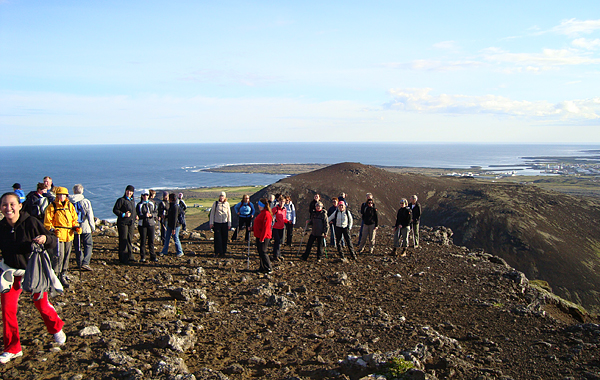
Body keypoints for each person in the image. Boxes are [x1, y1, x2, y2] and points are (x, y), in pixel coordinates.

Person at [0, 192, 66, 364]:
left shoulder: (31, 222)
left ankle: (56, 327)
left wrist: (45, 238)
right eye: (5, 205)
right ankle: (13, 349)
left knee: (42, 305)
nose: (9, 208)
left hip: (32, 272)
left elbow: (52, 239)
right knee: (7, 311)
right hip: (10, 274)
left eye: (12, 204)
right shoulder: (1, 227)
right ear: (1, 208)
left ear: (20, 206)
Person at [44, 187, 79, 287]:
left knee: (67, 255)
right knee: (58, 256)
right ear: (57, 195)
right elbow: (47, 222)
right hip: (58, 235)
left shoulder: (70, 206)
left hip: (69, 234)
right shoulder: (52, 207)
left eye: (64, 195)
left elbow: (74, 219)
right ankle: (55, 276)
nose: (62, 196)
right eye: (60, 194)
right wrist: (53, 230)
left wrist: (76, 227)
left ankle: (63, 274)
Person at [69, 184, 95, 271]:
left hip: (75, 227)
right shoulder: (86, 201)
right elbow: (90, 215)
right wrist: (93, 227)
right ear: (82, 191)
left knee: (77, 246)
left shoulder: (69, 201)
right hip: (85, 226)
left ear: (74, 191)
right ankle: (85, 262)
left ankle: (79, 262)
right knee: (88, 244)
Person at [113, 185, 137, 264]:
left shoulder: (132, 201)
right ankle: (123, 258)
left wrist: (136, 215)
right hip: (123, 223)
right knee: (123, 240)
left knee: (129, 239)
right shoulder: (121, 200)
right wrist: (123, 214)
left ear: (132, 192)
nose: (129, 193)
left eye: (130, 191)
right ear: (125, 191)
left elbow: (133, 210)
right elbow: (115, 210)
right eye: (128, 191)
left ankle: (130, 256)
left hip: (131, 223)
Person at [252, 198, 272, 273]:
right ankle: (262, 267)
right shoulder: (262, 213)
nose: (258, 206)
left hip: (264, 236)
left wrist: (262, 238)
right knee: (260, 252)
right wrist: (252, 229)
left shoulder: (266, 214)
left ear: (261, 205)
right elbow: (259, 225)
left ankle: (268, 267)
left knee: (263, 251)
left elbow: (266, 227)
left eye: (259, 204)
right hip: (259, 235)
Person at [137, 189, 157, 262]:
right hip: (142, 225)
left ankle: (153, 256)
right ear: (141, 196)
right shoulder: (139, 205)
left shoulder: (152, 203)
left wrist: (151, 215)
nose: (145, 196)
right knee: (143, 241)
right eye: (144, 195)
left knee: (151, 241)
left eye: (147, 195)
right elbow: (138, 215)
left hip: (151, 224)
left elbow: (155, 212)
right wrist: (144, 215)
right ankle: (143, 256)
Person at [209, 192, 231, 256]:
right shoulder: (215, 204)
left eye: (223, 196)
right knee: (217, 238)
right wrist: (211, 222)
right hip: (217, 223)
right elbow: (212, 213)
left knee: (224, 238)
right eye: (220, 196)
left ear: (225, 197)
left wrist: (229, 223)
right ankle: (217, 251)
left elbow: (229, 214)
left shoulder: (227, 204)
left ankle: (223, 252)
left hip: (225, 223)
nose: (221, 197)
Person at [271, 196, 288, 261]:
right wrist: (273, 219)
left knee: (280, 242)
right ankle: (275, 255)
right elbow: (270, 215)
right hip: (275, 227)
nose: (282, 203)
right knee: (277, 241)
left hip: (282, 227)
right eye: (281, 201)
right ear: (279, 202)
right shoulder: (275, 209)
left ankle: (278, 254)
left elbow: (284, 218)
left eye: (283, 201)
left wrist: (288, 221)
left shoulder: (284, 209)